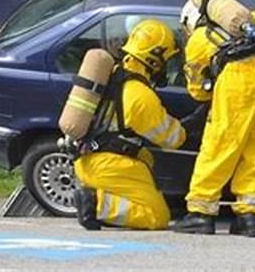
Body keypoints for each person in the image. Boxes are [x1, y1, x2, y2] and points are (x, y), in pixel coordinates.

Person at [172, 0, 255, 237]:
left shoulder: (199, 39)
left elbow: (197, 89)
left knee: (221, 145)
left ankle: (200, 213)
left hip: (238, 81)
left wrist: (208, 89)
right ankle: (248, 217)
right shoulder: (248, 19)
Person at [72, 19, 186, 230]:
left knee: (146, 159)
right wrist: (193, 124)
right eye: (167, 60)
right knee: (156, 216)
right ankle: (95, 203)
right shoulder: (140, 96)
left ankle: (100, 193)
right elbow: (173, 140)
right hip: (109, 166)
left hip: (90, 160)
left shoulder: (115, 73)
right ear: (154, 59)